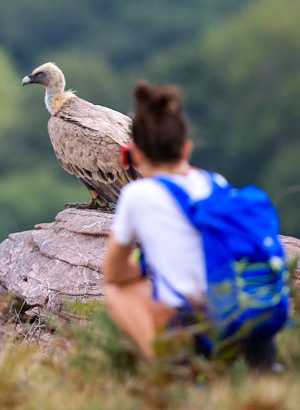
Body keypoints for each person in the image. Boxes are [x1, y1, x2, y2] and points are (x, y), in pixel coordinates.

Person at [103, 82, 288, 365]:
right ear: (186, 149)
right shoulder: (215, 182)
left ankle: (171, 368)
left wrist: (144, 267)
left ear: (135, 155)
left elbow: (113, 272)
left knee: (116, 290)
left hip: (193, 323)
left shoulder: (136, 195)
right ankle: (255, 361)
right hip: (245, 310)